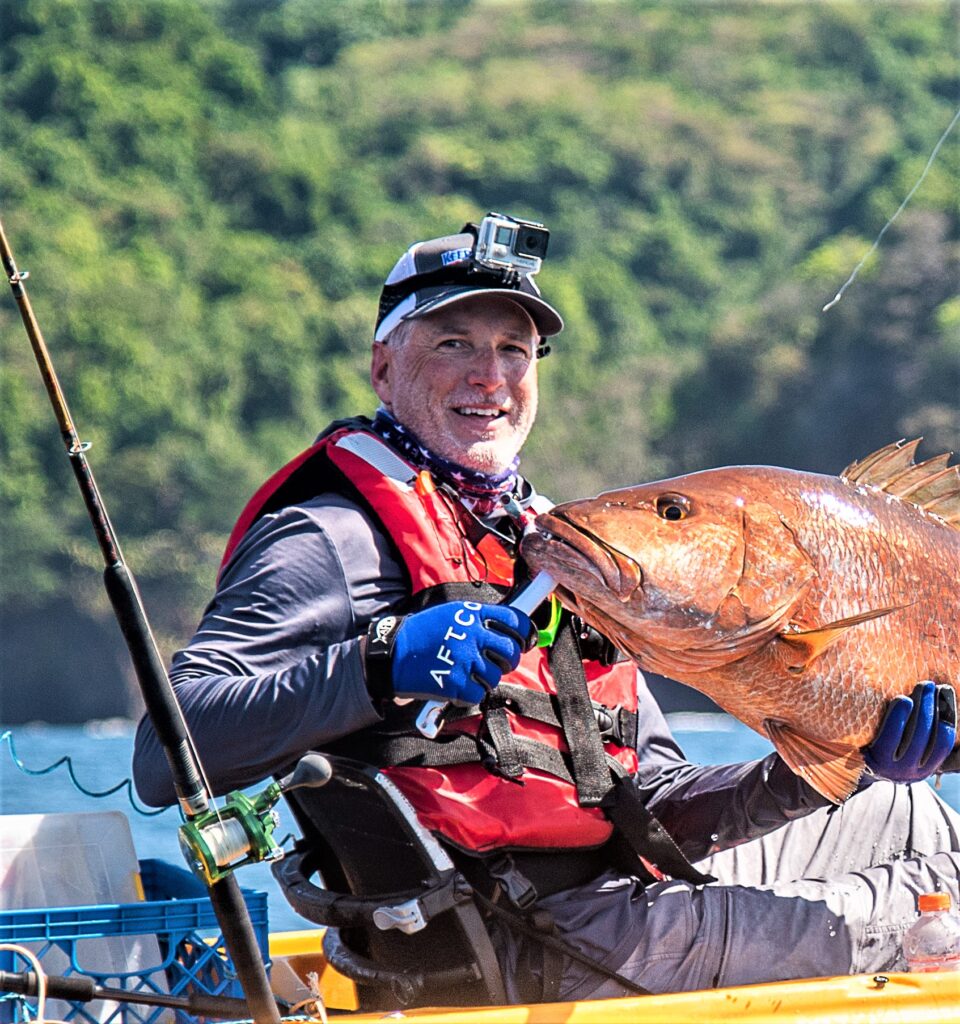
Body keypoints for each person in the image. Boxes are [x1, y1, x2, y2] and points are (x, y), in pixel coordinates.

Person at [133, 213, 960, 1003]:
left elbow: (657, 802)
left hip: (617, 900)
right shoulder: (330, 535)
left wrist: (819, 773)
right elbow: (165, 754)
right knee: (941, 896)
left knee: (909, 810)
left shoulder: (561, 548)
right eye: (452, 343)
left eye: (514, 349)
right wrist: (379, 663)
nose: (488, 376)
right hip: (517, 944)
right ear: (384, 367)